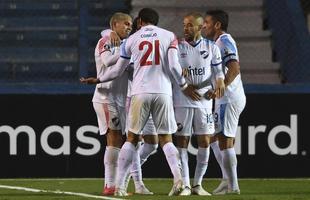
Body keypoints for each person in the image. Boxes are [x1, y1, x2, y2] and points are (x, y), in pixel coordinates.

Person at [81, 8, 200, 196]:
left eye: (133, 23)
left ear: (140, 22)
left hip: (138, 93)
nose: (131, 26)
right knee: (166, 139)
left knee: (131, 139)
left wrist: (99, 79)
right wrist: (184, 86)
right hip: (162, 91)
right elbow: (174, 66)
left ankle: (119, 186)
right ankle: (179, 182)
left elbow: (118, 69)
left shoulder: (131, 40)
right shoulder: (169, 36)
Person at [173, 12, 225, 196]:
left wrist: (219, 84)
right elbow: (171, 69)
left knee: (205, 141)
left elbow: (219, 73)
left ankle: (198, 185)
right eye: (184, 24)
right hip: (182, 100)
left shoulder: (212, 47)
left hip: (203, 101)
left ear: (200, 27)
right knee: (182, 142)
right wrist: (181, 76)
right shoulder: (177, 47)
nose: (185, 28)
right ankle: (185, 185)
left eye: (189, 25)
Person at [202, 9, 246, 195]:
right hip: (225, 98)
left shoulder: (225, 40)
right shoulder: (216, 43)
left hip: (228, 98)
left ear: (217, 25)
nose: (204, 25)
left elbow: (234, 68)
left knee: (226, 142)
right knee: (214, 137)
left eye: (207, 22)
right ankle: (226, 179)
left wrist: (221, 88)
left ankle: (233, 186)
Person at [90, 12, 132, 196]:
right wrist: (126, 52)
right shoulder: (106, 41)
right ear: (115, 24)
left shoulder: (122, 43)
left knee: (116, 140)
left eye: (131, 25)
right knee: (114, 139)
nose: (129, 27)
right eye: (126, 24)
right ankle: (110, 185)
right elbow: (107, 60)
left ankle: (112, 185)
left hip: (119, 98)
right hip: (105, 97)